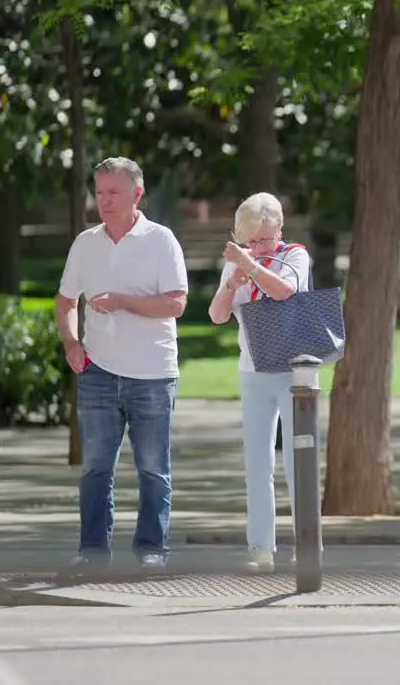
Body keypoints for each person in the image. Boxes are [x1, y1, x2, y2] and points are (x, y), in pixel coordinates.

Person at [55, 156, 189, 572]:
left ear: (137, 193)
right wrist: (72, 342)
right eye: (99, 192)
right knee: (96, 468)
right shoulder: (86, 243)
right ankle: (92, 552)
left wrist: (124, 302)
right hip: (97, 372)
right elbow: (65, 302)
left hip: (152, 374)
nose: (104, 200)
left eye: (113, 192)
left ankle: (152, 549)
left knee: (152, 468)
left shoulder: (161, 240)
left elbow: (176, 303)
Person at [207, 192, 311, 573]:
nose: (260, 245)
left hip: (295, 371)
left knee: (300, 463)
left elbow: (283, 292)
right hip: (253, 371)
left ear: (280, 229)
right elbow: (218, 315)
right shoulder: (240, 261)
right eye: (252, 239)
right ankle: (261, 549)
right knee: (258, 464)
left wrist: (249, 265)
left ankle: (306, 545)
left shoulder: (294, 256)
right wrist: (231, 283)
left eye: (266, 237)